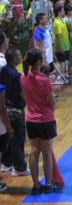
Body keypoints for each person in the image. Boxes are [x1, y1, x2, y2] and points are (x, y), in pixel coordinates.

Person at [21, 49, 57, 194]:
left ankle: (36, 185)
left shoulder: (23, 77)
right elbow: (52, 101)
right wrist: (50, 111)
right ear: (38, 62)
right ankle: (48, 184)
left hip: (31, 119)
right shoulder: (44, 81)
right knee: (46, 153)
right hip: (45, 119)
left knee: (34, 152)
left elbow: (24, 96)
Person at [0, 48, 28, 177]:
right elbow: (22, 94)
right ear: (15, 59)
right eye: (19, 55)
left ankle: (6, 163)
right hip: (16, 110)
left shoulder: (3, 71)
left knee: (8, 138)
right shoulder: (17, 76)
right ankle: (19, 168)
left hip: (5, 109)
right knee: (18, 139)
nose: (21, 57)